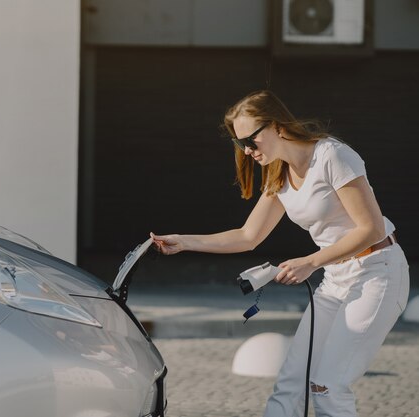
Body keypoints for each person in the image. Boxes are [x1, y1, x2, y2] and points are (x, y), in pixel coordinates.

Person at [151, 90, 409, 417]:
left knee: (328, 385)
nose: (247, 150)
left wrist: (311, 261)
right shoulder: (279, 171)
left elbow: (370, 229)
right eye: (238, 143)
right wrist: (184, 241)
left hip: (377, 271)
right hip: (336, 278)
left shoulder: (332, 156)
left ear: (277, 127)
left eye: (251, 140)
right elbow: (248, 236)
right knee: (291, 383)